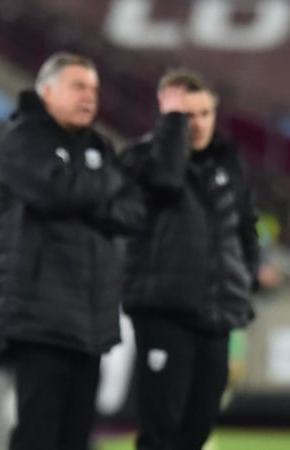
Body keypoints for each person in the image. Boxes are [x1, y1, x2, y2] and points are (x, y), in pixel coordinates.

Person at [0, 52, 143, 450]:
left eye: (93, 88)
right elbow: (58, 191)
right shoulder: (24, 138)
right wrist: (109, 178)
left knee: (77, 438)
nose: (89, 96)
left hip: (91, 321)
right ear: (47, 91)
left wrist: (89, 188)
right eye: (78, 86)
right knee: (38, 434)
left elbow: (132, 212)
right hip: (40, 316)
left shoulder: (99, 146)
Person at [120, 68, 258, 450]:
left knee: (197, 432)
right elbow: (167, 179)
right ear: (164, 117)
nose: (196, 124)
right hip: (165, 313)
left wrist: (245, 277)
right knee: (161, 432)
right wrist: (173, 127)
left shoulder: (228, 164)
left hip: (217, 315)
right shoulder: (143, 158)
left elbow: (245, 226)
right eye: (185, 115)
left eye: (203, 114)